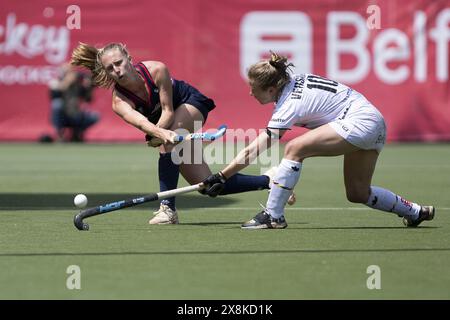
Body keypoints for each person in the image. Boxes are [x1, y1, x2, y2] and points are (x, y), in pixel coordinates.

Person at [202, 51, 435, 229]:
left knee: (295, 148)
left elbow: (254, 150)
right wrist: (224, 176)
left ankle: (273, 216)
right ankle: (415, 212)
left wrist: (223, 176)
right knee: (357, 192)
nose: (250, 93)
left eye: (254, 89)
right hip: (373, 122)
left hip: (360, 122)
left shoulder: (288, 105)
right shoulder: (295, 83)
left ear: (272, 89)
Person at [70, 42, 274, 224]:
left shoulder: (157, 69)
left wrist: (160, 135)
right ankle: (271, 181)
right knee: (207, 185)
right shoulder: (119, 102)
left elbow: (167, 110)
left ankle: (167, 209)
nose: (117, 70)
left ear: (129, 59)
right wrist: (155, 135)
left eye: (119, 62)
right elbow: (142, 123)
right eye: (110, 68)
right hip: (167, 127)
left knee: (167, 144)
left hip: (190, 104)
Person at [49, 63, 99, 142]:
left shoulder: (78, 85)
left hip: (75, 114)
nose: (71, 75)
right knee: (57, 105)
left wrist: (89, 85)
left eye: (71, 72)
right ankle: (60, 135)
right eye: (67, 72)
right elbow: (55, 95)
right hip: (63, 116)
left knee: (94, 116)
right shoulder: (55, 82)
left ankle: (76, 134)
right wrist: (67, 82)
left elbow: (88, 99)